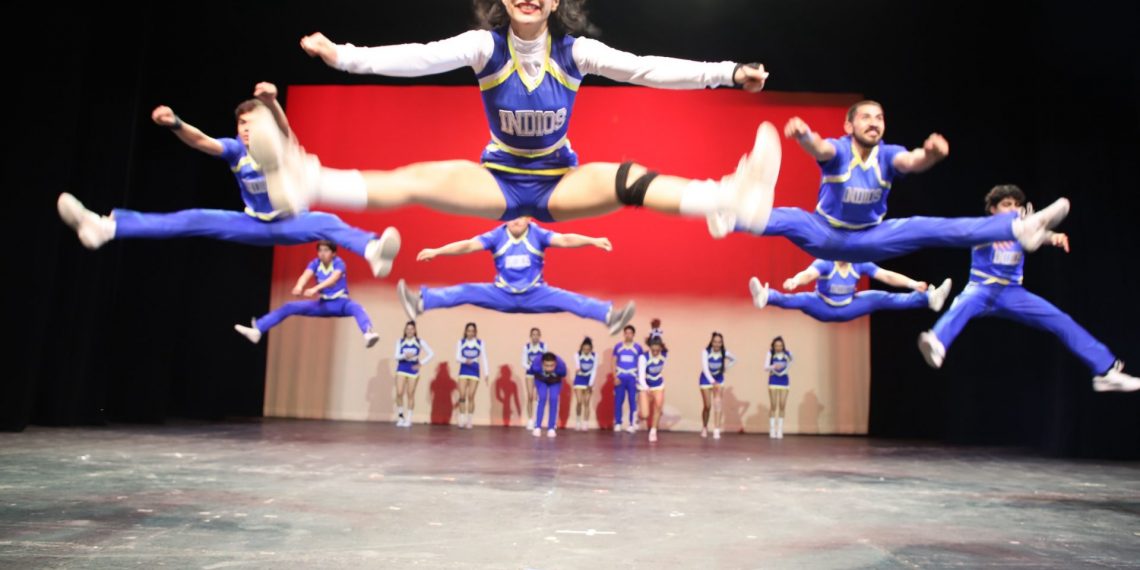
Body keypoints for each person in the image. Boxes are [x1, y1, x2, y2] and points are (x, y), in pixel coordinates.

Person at [247, 0, 779, 237]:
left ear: (555, 2)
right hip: (498, 180)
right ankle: (307, 181)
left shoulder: (577, 52)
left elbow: (647, 68)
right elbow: (418, 57)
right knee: (416, 180)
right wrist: (343, 56)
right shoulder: (484, 46)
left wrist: (727, 72)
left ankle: (729, 200)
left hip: (559, 182)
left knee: (629, 180)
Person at [56, 82, 399, 278]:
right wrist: (176, 123)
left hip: (291, 221)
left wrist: (271, 102)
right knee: (191, 218)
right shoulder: (236, 151)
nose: (246, 129)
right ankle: (103, 228)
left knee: (327, 222)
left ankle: (371, 250)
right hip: (252, 224)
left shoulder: (281, 145)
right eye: (242, 124)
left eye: (253, 123)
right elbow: (201, 141)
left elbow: (281, 126)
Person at [709, 101, 1070, 263]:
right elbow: (819, 147)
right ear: (849, 126)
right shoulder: (838, 150)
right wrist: (803, 136)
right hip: (826, 233)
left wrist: (930, 155)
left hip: (872, 238)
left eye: (879, 118)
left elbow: (912, 161)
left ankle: (1018, 227)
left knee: (929, 227)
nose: (874, 123)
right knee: (790, 217)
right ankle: (729, 215)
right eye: (866, 117)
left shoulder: (888, 155)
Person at [918, 185, 1140, 392]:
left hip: (1012, 293)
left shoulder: (1022, 229)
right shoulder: (984, 228)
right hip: (982, 289)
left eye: (1016, 205)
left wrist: (1053, 237)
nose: (1013, 209)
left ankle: (1105, 371)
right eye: (1006, 205)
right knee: (962, 304)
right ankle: (937, 343)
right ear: (993, 209)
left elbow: (1039, 236)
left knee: (1061, 320)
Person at [395, 216, 635, 335]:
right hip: (501, 294)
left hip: (536, 294)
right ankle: (419, 303)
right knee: (466, 291)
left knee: (571, 300)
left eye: (521, 216)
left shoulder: (537, 234)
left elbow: (564, 239)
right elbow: (467, 245)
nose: (516, 221)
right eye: (511, 216)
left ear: (529, 218)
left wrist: (592, 240)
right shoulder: (496, 235)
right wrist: (437, 251)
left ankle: (609, 317)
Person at [234, 240, 379, 348]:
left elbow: (333, 279)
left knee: (357, 308)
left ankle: (368, 333)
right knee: (289, 306)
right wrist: (299, 286)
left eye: (326, 250)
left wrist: (315, 289)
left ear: (333, 253)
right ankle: (258, 330)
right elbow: (305, 275)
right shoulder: (315, 263)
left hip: (341, 303)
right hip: (323, 305)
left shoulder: (339, 263)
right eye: (320, 250)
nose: (322, 253)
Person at [748, 260, 952, 322]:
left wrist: (912, 283)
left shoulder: (860, 262)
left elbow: (887, 276)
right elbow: (809, 274)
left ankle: (930, 299)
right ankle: (765, 296)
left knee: (881, 297)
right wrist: (795, 280)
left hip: (849, 306)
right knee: (800, 299)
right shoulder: (826, 262)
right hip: (823, 306)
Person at [394, 321, 435, 426]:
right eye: (407, 329)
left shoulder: (419, 341)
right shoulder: (400, 341)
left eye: (412, 329)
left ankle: (409, 419)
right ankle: (401, 417)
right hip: (402, 368)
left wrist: (421, 363)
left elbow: (431, 353)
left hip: (413, 370)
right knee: (399, 393)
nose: (409, 331)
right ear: (405, 330)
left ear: (415, 330)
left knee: (410, 394)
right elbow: (396, 356)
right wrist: (405, 356)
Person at [698, 332, 736, 439]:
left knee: (718, 404)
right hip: (706, 379)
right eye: (715, 342)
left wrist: (726, 368)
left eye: (719, 342)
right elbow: (705, 368)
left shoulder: (724, 352)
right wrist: (712, 381)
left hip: (718, 379)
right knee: (707, 406)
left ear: (722, 343)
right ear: (712, 342)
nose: (717, 344)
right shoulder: (706, 352)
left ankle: (716, 430)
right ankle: (704, 427)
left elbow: (734, 359)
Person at [455, 322, 490, 429]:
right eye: (468, 331)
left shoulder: (480, 343)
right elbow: (457, 357)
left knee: (471, 396)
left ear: (475, 332)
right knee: (462, 395)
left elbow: (484, 357)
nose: (470, 333)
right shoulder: (461, 342)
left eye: (472, 331)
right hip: (464, 370)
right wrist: (465, 360)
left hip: (474, 371)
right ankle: (462, 417)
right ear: (466, 332)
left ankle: (469, 420)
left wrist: (486, 373)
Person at [611, 325, 645, 433]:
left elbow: (642, 364)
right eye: (626, 333)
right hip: (620, 378)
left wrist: (640, 380)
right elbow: (613, 362)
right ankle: (618, 423)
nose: (628, 335)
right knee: (618, 401)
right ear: (624, 334)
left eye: (630, 333)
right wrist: (614, 376)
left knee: (632, 401)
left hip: (632, 378)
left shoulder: (638, 348)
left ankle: (632, 424)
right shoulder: (618, 347)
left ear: (633, 334)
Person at [637, 336, 669, 442]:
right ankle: (640, 416)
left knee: (658, 406)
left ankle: (653, 430)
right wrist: (647, 388)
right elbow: (641, 377)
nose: (655, 352)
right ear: (650, 347)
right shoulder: (643, 357)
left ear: (660, 348)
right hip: (645, 386)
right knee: (645, 414)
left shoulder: (664, 355)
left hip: (658, 385)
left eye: (657, 350)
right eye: (653, 350)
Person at [530, 352, 568, 438]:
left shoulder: (561, 366)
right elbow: (531, 372)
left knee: (554, 399)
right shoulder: (536, 365)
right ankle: (537, 427)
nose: (549, 368)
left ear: (556, 364)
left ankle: (551, 428)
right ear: (542, 363)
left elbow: (564, 374)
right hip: (541, 380)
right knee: (542, 398)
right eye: (546, 365)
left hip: (555, 381)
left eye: (552, 365)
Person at [764, 336, 793, 439]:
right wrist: (774, 367)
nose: (778, 347)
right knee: (773, 405)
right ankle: (772, 429)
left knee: (782, 405)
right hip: (773, 380)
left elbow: (792, 361)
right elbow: (765, 367)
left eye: (780, 345)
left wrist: (785, 370)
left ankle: (780, 430)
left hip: (784, 381)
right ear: (773, 346)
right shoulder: (770, 353)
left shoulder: (787, 353)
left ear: (783, 346)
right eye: (776, 345)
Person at [571, 337, 598, 431]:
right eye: (584, 349)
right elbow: (578, 367)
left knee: (586, 402)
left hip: (589, 380)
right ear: (582, 348)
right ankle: (578, 421)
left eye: (588, 349)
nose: (586, 351)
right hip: (579, 379)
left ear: (591, 349)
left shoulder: (595, 356)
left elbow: (594, 370)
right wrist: (578, 370)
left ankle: (585, 422)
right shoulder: (577, 355)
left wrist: (590, 383)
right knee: (579, 401)